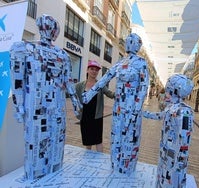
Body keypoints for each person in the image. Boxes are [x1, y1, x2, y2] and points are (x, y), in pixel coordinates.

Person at [9, 14, 82, 180]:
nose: (50, 30)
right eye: (48, 26)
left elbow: (69, 82)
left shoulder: (63, 55)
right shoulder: (22, 48)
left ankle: (53, 172)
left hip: (57, 106)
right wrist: (18, 106)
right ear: (40, 27)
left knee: (56, 140)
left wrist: (76, 104)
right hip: (35, 106)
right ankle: (34, 174)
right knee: (36, 141)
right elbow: (17, 80)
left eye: (53, 27)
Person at [82, 33, 149, 175]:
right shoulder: (120, 63)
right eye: (128, 41)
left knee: (130, 137)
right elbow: (104, 80)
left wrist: (137, 109)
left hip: (132, 109)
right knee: (116, 136)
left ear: (138, 45)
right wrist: (89, 94)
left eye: (133, 41)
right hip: (118, 108)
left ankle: (128, 167)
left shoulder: (142, 63)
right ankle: (115, 166)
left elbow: (144, 87)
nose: (130, 43)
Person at [143, 74, 194, 188]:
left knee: (173, 177)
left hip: (175, 154)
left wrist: (179, 157)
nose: (165, 94)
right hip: (165, 149)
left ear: (174, 91)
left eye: (168, 91)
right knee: (163, 173)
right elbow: (159, 115)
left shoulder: (184, 111)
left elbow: (185, 138)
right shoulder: (171, 107)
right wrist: (144, 113)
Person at [75, 60, 114, 152]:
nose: (94, 71)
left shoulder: (100, 85)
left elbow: (109, 93)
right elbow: (70, 91)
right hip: (84, 116)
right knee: (88, 141)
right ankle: (88, 162)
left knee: (98, 141)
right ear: (87, 70)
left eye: (96, 70)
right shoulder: (80, 85)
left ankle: (99, 161)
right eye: (92, 69)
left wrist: (120, 94)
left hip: (97, 116)